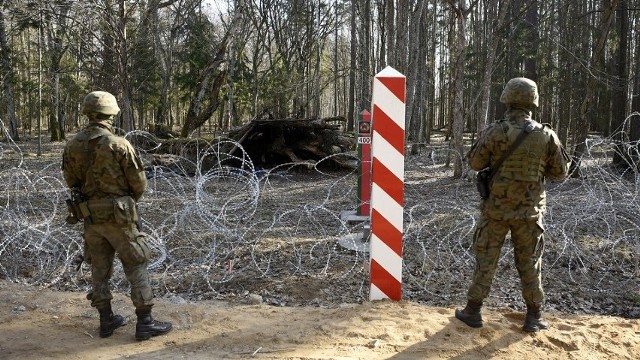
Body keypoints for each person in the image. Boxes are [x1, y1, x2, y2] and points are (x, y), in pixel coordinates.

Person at [455, 78, 570, 332]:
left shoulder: (496, 131)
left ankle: (472, 311)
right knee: (530, 264)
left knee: (486, 260)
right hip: (529, 213)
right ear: (533, 101)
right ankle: (534, 316)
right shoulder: (546, 135)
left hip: (496, 210)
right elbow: (560, 173)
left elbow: (475, 163)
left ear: (507, 98)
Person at [62, 91, 172, 341]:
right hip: (119, 218)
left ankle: (106, 320)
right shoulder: (119, 144)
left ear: (87, 112)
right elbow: (139, 184)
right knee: (136, 263)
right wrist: (125, 202)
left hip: (91, 218)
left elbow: (71, 181)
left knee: (99, 269)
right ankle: (145, 322)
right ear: (111, 113)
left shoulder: (72, 145)